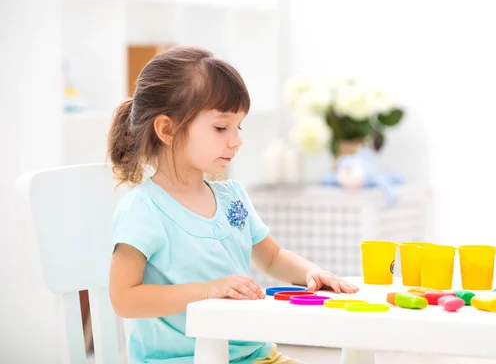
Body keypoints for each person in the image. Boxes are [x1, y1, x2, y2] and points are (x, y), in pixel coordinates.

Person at [107, 46, 359, 364]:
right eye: (220, 127)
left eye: (238, 127)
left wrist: (313, 272)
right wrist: (209, 289)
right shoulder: (143, 210)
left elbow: (272, 256)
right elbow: (125, 299)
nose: (236, 140)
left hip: (254, 355)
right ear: (167, 129)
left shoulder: (231, 199)